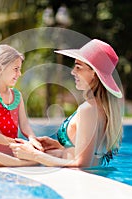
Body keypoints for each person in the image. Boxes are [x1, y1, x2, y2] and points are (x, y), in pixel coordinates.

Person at [9, 39, 123, 167]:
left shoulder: (89, 109)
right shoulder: (100, 107)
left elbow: (82, 165)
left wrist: (34, 154)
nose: (73, 71)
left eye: (78, 67)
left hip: (78, 184)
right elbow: (90, 154)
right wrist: (58, 146)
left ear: (94, 74)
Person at [0, 44, 43, 167]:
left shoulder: (17, 95)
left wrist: (32, 139)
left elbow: (25, 125)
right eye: (16, 69)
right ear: (0, 68)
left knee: (48, 148)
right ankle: (24, 163)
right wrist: (16, 143)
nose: (19, 74)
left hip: (14, 150)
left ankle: (19, 161)